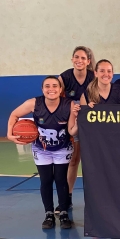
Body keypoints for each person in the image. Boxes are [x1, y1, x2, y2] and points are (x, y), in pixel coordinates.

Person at [7, 76, 75, 229]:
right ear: (42, 89)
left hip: (62, 148)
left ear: (60, 89)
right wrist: (10, 133)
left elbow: (73, 127)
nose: (51, 89)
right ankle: (49, 214)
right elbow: (14, 115)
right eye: (47, 86)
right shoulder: (34, 103)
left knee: (61, 179)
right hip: (41, 149)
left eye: (55, 86)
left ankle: (63, 212)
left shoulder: (69, 105)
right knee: (45, 180)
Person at [57, 46, 95, 214]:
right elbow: (55, 99)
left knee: (93, 163)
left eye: (83, 58)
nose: (80, 61)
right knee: (73, 161)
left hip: (91, 125)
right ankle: (67, 198)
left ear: (88, 61)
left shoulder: (94, 77)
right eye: (76, 57)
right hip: (70, 124)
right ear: (72, 59)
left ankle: (96, 199)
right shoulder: (64, 78)